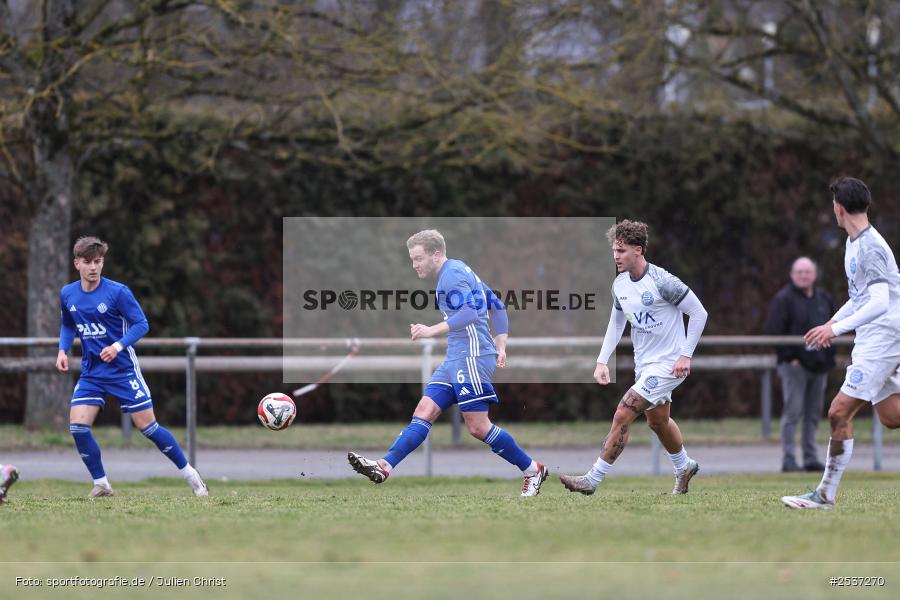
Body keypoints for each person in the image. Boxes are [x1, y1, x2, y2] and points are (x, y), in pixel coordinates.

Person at [348, 229, 549, 496]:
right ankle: (384, 466)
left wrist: (430, 330)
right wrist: (500, 346)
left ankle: (532, 469)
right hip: (457, 357)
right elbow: (496, 304)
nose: (414, 264)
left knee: (477, 427)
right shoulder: (458, 270)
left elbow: (468, 313)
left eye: (418, 258)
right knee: (424, 410)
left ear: (436, 253)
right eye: (411, 259)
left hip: (471, 357)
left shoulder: (451, 276)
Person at [559, 220, 708, 495]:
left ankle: (592, 479)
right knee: (658, 421)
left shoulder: (663, 282)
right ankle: (684, 466)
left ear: (638, 250)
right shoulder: (620, 285)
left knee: (623, 412)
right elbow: (616, 324)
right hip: (645, 366)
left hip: (668, 364)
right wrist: (602, 361)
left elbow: (699, 313)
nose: (616, 256)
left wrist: (685, 355)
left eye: (622, 250)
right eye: (614, 250)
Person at [56, 236, 208, 498]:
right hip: (92, 372)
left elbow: (141, 324)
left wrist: (117, 346)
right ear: (76, 264)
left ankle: (190, 474)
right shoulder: (68, 293)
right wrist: (62, 349)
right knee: (78, 427)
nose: (94, 267)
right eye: (88, 262)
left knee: (148, 427)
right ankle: (102, 483)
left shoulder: (118, 292)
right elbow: (68, 324)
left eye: (98, 262)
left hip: (123, 370)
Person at [783, 177, 900, 509]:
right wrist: (831, 322)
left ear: (839, 208)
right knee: (891, 416)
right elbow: (860, 297)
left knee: (838, 411)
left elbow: (878, 302)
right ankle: (824, 495)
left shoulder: (871, 247)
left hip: (884, 337)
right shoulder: (854, 242)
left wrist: (837, 331)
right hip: (874, 336)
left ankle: (824, 495)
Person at [766, 257, 836, 472]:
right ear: (792, 274)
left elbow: (836, 325)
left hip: (819, 365)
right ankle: (789, 458)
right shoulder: (783, 299)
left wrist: (829, 356)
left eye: (807, 272)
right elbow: (774, 331)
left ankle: (810, 457)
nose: (804, 275)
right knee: (793, 412)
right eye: (799, 272)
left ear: (814, 274)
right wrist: (790, 357)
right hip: (794, 366)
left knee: (813, 414)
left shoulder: (824, 298)